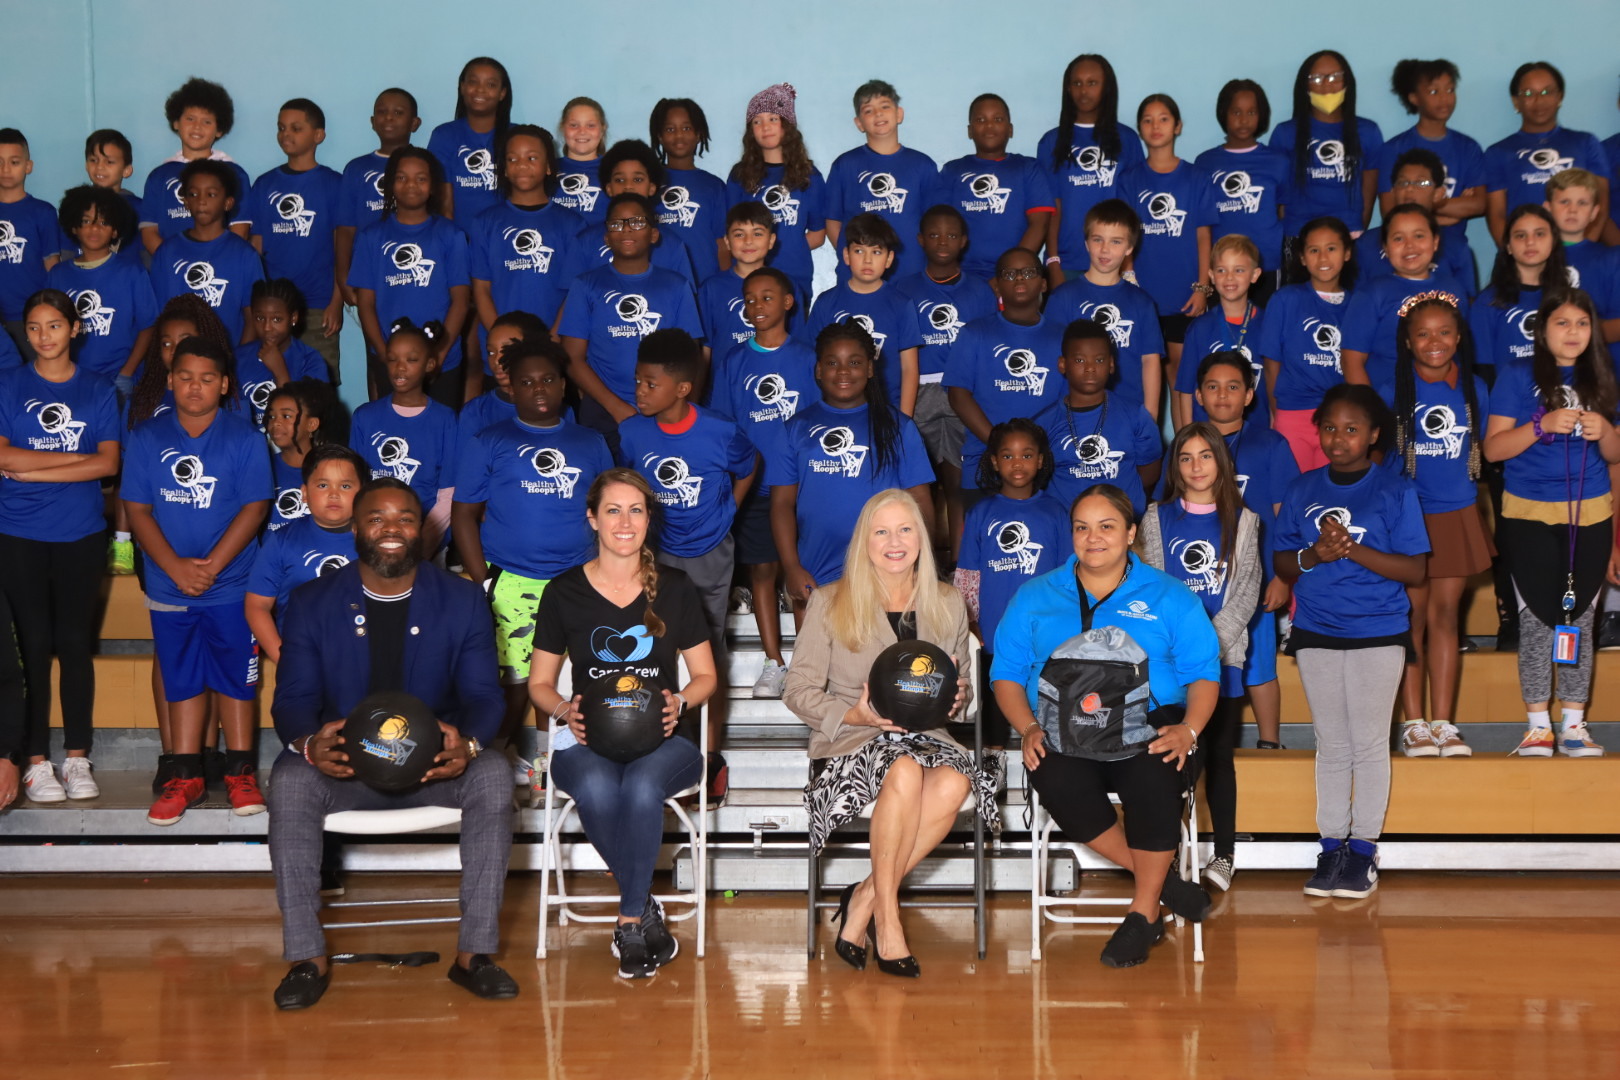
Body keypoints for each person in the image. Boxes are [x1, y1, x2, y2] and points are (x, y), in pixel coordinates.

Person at [268, 477, 515, 1009]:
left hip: (432, 771)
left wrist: (467, 746)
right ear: (356, 528)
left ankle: (474, 955)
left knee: (493, 772)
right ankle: (306, 958)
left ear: (421, 530)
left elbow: (483, 696)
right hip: (348, 772)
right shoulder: (312, 602)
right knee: (288, 778)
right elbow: (291, 699)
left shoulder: (462, 599)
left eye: (404, 518)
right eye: (376, 518)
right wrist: (311, 745)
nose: (391, 529)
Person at [992, 483, 1217, 966]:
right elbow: (1006, 677)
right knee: (1054, 776)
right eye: (1082, 527)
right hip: (1061, 727)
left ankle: (1142, 914)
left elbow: (1203, 674)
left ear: (1131, 533)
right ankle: (1163, 884)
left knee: (1157, 774)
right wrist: (1030, 728)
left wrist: (1189, 730)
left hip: (1149, 723)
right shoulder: (1034, 596)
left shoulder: (1170, 595)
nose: (1093, 538)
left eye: (1107, 526)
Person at [784, 487, 988, 977]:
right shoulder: (831, 602)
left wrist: (958, 700)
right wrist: (854, 716)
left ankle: (866, 895)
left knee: (957, 780)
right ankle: (889, 918)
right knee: (903, 768)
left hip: (929, 738)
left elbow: (962, 698)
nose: (894, 541)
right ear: (864, 541)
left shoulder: (947, 601)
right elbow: (797, 690)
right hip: (851, 740)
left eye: (905, 529)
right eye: (882, 531)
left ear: (921, 537)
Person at [528, 468, 719, 980]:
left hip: (663, 738)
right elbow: (540, 685)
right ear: (593, 519)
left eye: (636, 509)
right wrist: (567, 711)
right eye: (613, 510)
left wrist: (680, 700)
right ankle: (644, 907)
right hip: (587, 739)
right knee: (594, 784)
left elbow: (705, 677)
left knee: (639, 787)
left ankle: (630, 917)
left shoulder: (675, 589)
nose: (625, 521)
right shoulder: (563, 592)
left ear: (649, 519)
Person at [1274, 384, 1429, 899]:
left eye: (1352, 429)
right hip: (1317, 629)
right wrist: (1315, 554)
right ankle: (1329, 848)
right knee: (1332, 744)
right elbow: (1282, 563)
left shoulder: (1396, 490)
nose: (1339, 439)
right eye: (1330, 429)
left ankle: (1362, 851)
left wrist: (1352, 550)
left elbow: (1415, 568)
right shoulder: (1301, 489)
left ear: (1373, 435)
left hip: (1379, 630)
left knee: (1367, 745)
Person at [122, 335, 271, 825]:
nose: (194, 387)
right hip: (169, 586)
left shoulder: (245, 438)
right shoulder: (145, 438)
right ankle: (184, 775)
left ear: (225, 385)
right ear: (169, 379)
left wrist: (211, 566)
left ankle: (240, 773)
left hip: (231, 585)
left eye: (207, 379)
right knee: (182, 679)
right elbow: (138, 511)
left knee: (236, 679)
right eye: (185, 377)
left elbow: (255, 506)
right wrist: (175, 567)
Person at [453, 337, 610, 785]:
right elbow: (464, 515)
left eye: (547, 380)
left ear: (564, 384)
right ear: (511, 387)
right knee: (514, 682)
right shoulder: (489, 441)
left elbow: (604, 510)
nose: (538, 389)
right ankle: (489, 763)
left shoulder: (591, 442)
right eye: (527, 382)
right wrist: (484, 580)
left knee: (562, 682)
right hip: (510, 581)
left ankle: (551, 769)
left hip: (575, 582)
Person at [1484, 289, 1620, 759]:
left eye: (1582, 323)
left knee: (1581, 619)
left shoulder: (1601, 377)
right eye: (1562, 323)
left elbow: (1616, 458)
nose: (1573, 333)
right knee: (1539, 620)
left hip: (1591, 515)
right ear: (1543, 331)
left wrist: (1608, 433)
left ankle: (1575, 725)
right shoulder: (1518, 375)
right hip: (1528, 515)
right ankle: (1538, 726)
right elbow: (1493, 450)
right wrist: (1541, 426)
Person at [621, 329, 754, 795]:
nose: (639, 391)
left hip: (710, 552)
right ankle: (650, 748)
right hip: (655, 551)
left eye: (650, 384)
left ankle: (708, 755)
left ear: (682, 388)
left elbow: (747, 464)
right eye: (637, 381)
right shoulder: (631, 431)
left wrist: (729, 509)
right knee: (653, 647)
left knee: (706, 651)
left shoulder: (720, 430)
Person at [0, 291, 121, 802]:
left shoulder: (97, 389)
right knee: (30, 649)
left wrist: (30, 465)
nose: (43, 336)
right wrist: (76, 460)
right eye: (33, 327)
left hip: (80, 533)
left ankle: (76, 757)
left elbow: (108, 464)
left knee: (73, 647)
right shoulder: (8, 384)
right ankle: (34, 761)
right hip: (17, 533)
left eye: (54, 326)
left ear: (75, 329)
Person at [1139, 423, 1260, 891]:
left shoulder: (1246, 521)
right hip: (1167, 663)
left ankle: (1224, 855)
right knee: (1170, 758)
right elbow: (1152, 590)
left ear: (1220, 463)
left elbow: (1246, 592)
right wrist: (1182, 644)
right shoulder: (1156, 517)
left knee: (1218, 757)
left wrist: (1206, 644)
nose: (1195, 466)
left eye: (1205, 456)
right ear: (1176, 467)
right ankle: (1165, 855)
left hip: (1224, 657)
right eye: (1186, 457)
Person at [1379, 294, 1489, 758]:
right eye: (1423, 334)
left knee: (1447, 616)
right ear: (1407, 341)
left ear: (1459, 337)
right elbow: (1381, 464)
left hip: (1456, 513)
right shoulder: (1393, 392)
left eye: (1444, 332)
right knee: (1412, 620)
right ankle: (1414, 723)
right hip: (1409, 519)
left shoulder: (1473, 388)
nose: (1434, 342)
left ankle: (1443, 723)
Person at [769, 321, 934, 614]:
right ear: (818, 370)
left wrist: (921, 566)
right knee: (816, 660)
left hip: (887, 569)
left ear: (870, 369)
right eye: (832, 363)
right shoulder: (795, 428)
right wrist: (791, 567)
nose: (843, 371)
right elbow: (781, 504)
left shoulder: (899, 427)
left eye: (855, 363)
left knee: (883, 659)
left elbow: (921, 504)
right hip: (815, 572)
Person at [708, 268, 817, 697]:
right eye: (749, 300)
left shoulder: (808, 357)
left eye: (766, 298)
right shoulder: (734, 360)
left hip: (802, 488)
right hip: (755, 486)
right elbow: (724, 426)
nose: (756, 307)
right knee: (762, 573)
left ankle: (807, 667)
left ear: (788, 303)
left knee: (803, 576)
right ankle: (774, 663)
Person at [953, 419, 1069, 787]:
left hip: (1045, 634)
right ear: (993, 461)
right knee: (994, 701)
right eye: (1008, 455)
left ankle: (1049, 769)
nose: (1017, 463)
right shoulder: (980, 513)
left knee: (1045, 699)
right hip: (993, 630)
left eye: (1027, 455)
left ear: (1040, 461)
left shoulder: (1056, 512)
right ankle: (992, 764)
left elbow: (1069, 575)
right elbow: (968, 573)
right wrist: (969, 620)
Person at [556, 192, 703, 452]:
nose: (626, 229)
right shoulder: (586, 285)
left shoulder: (676, 286)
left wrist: (681, 408)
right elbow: (572, 358)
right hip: (603, 413)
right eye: (616, 223)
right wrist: (615, 407)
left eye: (636, 222)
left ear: (654, 235)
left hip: (665, 411)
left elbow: (691, 357)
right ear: (606, 236)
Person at [894, 204, 999, 542]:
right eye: (935, 234)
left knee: (958, 480)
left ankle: (958, 563)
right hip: (918, 390)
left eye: (951, 235)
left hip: (961, 392)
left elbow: (987, 347)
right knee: (917, 482)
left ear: (964, 241)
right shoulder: (903, 290)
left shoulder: (981, 291)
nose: (943, 241)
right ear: (920, 240)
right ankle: (921, 563)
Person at [347, 147, 471, 407]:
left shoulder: (451, 235)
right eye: (402, 177)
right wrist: (385, 355)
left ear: (433, 186)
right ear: (390, 184)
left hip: (442, 360)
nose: (411, 185)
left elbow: (460, 301)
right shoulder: (372, 237)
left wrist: (438, 354)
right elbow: (366, 303)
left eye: (421, 178)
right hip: (390, 359)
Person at [944, 246, 1065, 504]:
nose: (1019, 278)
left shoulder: (1062, 337)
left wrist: (1032, 455)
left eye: (1028, 272)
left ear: (1043, 284)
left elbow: (1067, 404)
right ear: (997, 287)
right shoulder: (974, 333)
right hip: (986, 462)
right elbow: (958, 395)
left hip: (1049, 464)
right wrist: (1004, 450)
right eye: (1009, 274)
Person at [469, 125, 584, 378]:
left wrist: (550, 342)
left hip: (553, 347)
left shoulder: (571, 224)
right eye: (513, 159)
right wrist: (504, 344)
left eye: (532, 158)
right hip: (501, 354)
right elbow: (481, 289)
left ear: (548, 166)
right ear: (504, 168)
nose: (522, 165)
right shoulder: (485, 222)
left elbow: (574, 294)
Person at [1119, 94, 1216, 374]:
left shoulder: (1197, 178)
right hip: (1142, 294)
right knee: (1144, 375)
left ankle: (1186, 423)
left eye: (1163, 119)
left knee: (1181, 376)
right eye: (1147, 121)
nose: (1155, 126)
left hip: (1185, 295)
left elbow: (1203, 236)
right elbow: (1124, 238)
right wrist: (1128, 279)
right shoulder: (1129, 180)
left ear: (1178, 126)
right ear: (1139, 130)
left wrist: (1201, 288)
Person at [248, 99, 343, 376]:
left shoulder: (334, 184)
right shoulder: (265, 184)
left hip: (318, 307)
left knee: (317, 386)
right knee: (269, 381)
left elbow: (342, 249)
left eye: (296, 128)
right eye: (281, 128)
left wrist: (336, 302)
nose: (286, 134)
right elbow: (256, 246)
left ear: (318, 135)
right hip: (272, 311)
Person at [244, 442, 364, 664]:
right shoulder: (281, 541)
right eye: (323, 485)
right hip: (301, 659)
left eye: (345, 486)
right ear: (305, 493)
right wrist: (284, 659)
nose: (334, 494)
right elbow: (257, 606)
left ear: (363, 493)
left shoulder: (374, 542)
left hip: (361, 662)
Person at [1046, 199, 1165, 416]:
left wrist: (1150, 417)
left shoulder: (1142, 302)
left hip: (1129, 414)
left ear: (1129, 248)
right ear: (1086, 243)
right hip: (1074, 414)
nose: (1105, 249)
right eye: (1097, 239)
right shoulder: (1062, 298)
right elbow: (1052, 360)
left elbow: (1150, 362)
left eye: (1116, 242)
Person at [349, 319, 458, 553]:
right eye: (392, 359)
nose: (400, 368)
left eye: (411, 360)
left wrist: (423, 545)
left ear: (429, 364)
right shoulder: (364, 417)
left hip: (426, 539)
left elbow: (448, 493)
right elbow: (355, 485)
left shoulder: (444, 419)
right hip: (374, 537)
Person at [1034, 318, 1162, 517]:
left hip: (1124, 525)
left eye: (1099, 360)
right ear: (1062, 364)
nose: (1090, 367)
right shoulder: (1044, 424)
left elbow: (1150, 471)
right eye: (1079, 360)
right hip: (1068, 529)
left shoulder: (1135, 415)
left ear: (1111, 365)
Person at [1379, 60, 1486, 287]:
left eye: (1450, 90)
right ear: (1414, 98)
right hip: (1407, 253)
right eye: (1434, 91)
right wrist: (1451, 208)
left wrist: (1429, 204)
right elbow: (1390, 211)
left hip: (1453, 252)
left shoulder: (1468, 148)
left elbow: (1479, 204)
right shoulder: (1394, 149)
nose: (1444, 98)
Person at [804, 213, 924, 416]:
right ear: (846, 256)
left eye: (876, 252)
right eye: (859, 251)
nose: (867, 260)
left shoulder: (901, 304)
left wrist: (905, 421)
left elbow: (910, 369)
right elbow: (811, 362)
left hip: (887, 411)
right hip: (835, 410)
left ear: (889, 259)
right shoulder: (826, 303)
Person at [1039, 54, 1144, 284]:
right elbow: (1051, 207)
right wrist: (1053, 261)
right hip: (1067, 264)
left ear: (1106, 87)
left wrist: (1128, 266)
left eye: (1092, 83)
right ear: (1068, 89)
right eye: (1077, 83)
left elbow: (1133, 207)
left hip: (1115, 262)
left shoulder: (1127, 139)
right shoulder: (1051, 142)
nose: (1083, 90)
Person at [1340, 204, 1470, 387]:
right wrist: (1371, 411)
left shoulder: (1454, 288)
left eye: (1419, 236)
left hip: (1442, 405)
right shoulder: (1371, 294)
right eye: (1398, 238)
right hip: (1386, 405)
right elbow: (1351, 361)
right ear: (1385, 247)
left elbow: (1461, 352)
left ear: (1435, 242)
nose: (1410, 245)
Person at [1261, 217, 1355, 470]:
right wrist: (1275, 412)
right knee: (1295, 493)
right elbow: (1271, 365)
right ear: (1302, 257)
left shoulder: (1359, 306)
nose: (1323, 258)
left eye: (1331, 249)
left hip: (1338, 418)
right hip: (1292, 414)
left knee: (1331, 497)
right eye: (1314, 250)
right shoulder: (1285, 300)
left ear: (1347, 253)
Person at [1484, 62, 1611, 245]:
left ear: (1560, 97)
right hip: (1525, 253)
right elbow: (1496, 215)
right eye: (1528, 93)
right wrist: (1515, 255)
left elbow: (1601, 203)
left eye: (1546, 92)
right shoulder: (1498, 152)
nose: (1538, 100)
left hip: (1579, 249)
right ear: (1515, 101)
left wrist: (1583, 249)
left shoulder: (1586, 143)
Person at [825, 80, 940, 281]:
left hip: (911, 274)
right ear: (859, 123)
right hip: (858, 279)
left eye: (885, 106)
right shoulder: (845, 165)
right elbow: (833, 220)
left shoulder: (923, 165)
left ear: (899, 114)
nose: (878, 114)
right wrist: (855, 257)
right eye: (868, 110)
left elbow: (934, 223)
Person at [938, 93, 1055, 282]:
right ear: (969, 130)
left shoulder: (1027, 168)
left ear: (1010, 129)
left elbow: (1039, 224)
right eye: (980, 119)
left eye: (998, 119)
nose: (989, 125)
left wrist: (1008, 273)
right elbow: (940, 227)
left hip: (1016, 276)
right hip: (963, 275)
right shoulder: (952, 171)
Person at [725, 83, 827, 301]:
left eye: (773, 118)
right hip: (748, 278)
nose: (765, 126)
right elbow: (731, 232)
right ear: (750, 131)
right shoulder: (740, 175)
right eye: (757, 121)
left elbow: (818, 235)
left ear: (787, 125)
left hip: (794, 279)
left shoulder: (810, 175)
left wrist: (787, 247)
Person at [46, 184, 157, 380]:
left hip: (120, 377)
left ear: (115, 231)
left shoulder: (132, 272)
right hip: (74, 377)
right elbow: (51, 327)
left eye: (104, 223)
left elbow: (148, 327)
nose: (95, 228)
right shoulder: (58, 275)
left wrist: (127, 373)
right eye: (86, 221)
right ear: (74, 226)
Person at [1270, 51, 1383, 241]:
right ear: (1304, 85)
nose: (1326, 85)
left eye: (1334, 77)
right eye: (1316, 78)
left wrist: (1355, 234)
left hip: (1349, 234)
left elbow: (1369, 193)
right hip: (1298, 234)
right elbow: (1278, 195)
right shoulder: (1286, 133)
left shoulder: (1368, 132)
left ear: (1347, 82)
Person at [149, 160, 265, 345]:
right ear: (185, 201)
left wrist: (240, 361)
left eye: (211, 194)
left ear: (228, 203)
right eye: (193, 194)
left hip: (229, 361)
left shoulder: (245, 255)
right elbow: (157, 316)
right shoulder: (167, 253)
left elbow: (253, 318)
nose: (201, 201)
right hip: (178, 363)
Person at [1195, 79, 1291, 297]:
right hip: (1222, 267)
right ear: (1223, 114)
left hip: (1265, 264)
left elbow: (1283, 210)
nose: (1244, 120)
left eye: (1251, 112)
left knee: (1264, 325)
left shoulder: (1278, 161)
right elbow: (1202, 223)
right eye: (1236, 112)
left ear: (1261, 115)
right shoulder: (1205, 163)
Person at [137, 77, 253, 253]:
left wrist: (215, 262)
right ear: (176, 122)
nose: (197, 127)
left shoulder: (234, 174)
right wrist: (172, 262)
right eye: (190, 119)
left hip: (218, 267)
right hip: (172, 268)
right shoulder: (159, 176)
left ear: (219, 129)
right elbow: (149, 232)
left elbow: (240, 230)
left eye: (207, 121)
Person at [335, 88, 421, 321]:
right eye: (382, 112)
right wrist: (343, 276)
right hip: (371, 274)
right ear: (373, 122)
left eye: (398, 112)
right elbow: (345, 229)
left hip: (414, 270)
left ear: (414, 123)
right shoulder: (357, 169)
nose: (389, 118)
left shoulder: (424, 165)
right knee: (379, 346)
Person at [566, 139, 698, 285]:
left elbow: (684, 299)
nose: (628, 186)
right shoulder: (585, 242)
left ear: (652, 187)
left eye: (637, 179)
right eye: (620, 180)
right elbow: (572, 299)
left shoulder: (672, 244)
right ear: (608, 188)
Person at [1172, 234, 1268, 427]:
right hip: (1207, 435)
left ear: (1255, 274)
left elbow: (1275, 389)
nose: (1229, 277)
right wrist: (1188, 436)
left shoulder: (1268, 324)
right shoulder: (1199, 328)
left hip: (1256, 432)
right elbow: (1185, 391)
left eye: (1239, 270)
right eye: (1222, 270)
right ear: (1212, 276)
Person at [1357, 149, 1478, 295]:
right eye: (1403, 182)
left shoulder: (1456, 246)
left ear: (1438, 194)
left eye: (1422, 182)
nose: (1409, 188)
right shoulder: (1366, 244)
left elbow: (1466, 303)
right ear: (1393, 191)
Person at [1471, 205, 1566, 380]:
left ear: (1553, 241)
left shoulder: (1567, 299)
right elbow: (1482, 370)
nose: (1530, 242)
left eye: (1539, 234)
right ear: (1508, 246)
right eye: (1520, 235)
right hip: (1507, 404)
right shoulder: (1487, 303)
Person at [650, 97, 729, 280]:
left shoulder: (714, 186)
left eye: (686, 128)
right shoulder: (648, 183)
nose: (679, 135)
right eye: (670, 129)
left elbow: (722, 243)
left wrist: (725, 287)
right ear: (660, 136)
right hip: (659, 286)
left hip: (704, 283)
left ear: (699, 133)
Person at [235, 280, 330, 430]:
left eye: (276, 319)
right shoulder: (238, 358)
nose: (267, 327)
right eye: (260, 318)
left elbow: (305, 421)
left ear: (293, 318)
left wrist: (280, 372)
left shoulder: (310, 360)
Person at [427, 57, 512, 222]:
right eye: (473, 82)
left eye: (491, 84)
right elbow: (444, 202)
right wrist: (454, 242)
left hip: (503, 238)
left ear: (502, 93)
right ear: (462, 87)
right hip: (459, 239)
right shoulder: (444, 135)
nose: (480, 90)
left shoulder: (516, 136)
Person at [263, 378, 339, 533]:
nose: (276, 423)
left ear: (312, 424)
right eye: (272, 416)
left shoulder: (333, 470)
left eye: (286, 416)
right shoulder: (262, 470)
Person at [82, 129, 144, 259]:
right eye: (93, 160)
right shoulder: (76, 205)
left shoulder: (139, 208)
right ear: (86, 165)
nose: (100, 166)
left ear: (126, 170)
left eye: (109, 162)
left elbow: (146, 254)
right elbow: (67, 252)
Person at [553, 97, 608, 225]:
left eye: (590, 126)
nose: (582, 132)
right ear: (563, 128)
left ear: (602, 129)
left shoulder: (613, 171)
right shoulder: (548, 169)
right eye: (574, 125)